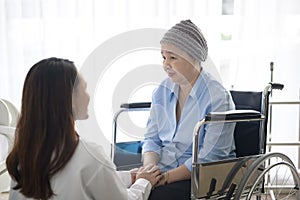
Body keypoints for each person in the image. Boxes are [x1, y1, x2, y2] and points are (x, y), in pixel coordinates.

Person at [6, 57, 162, 200]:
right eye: (84, 89)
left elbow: (75, 178)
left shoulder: (23, 155)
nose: (88, 96)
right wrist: (143, 182)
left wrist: (129, 176)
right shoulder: (89, 154)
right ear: (70, 98)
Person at [142, 20, 236, 199]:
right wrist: (149, 168)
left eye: (172, 57)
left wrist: (165, 178)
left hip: (201, 178)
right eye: (163, 57)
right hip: (162, 171)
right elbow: (151, 139)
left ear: (193, 57)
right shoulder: (161, 92)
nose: (165, 64)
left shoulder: (217, 98)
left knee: (154, 196)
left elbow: (210, 158)